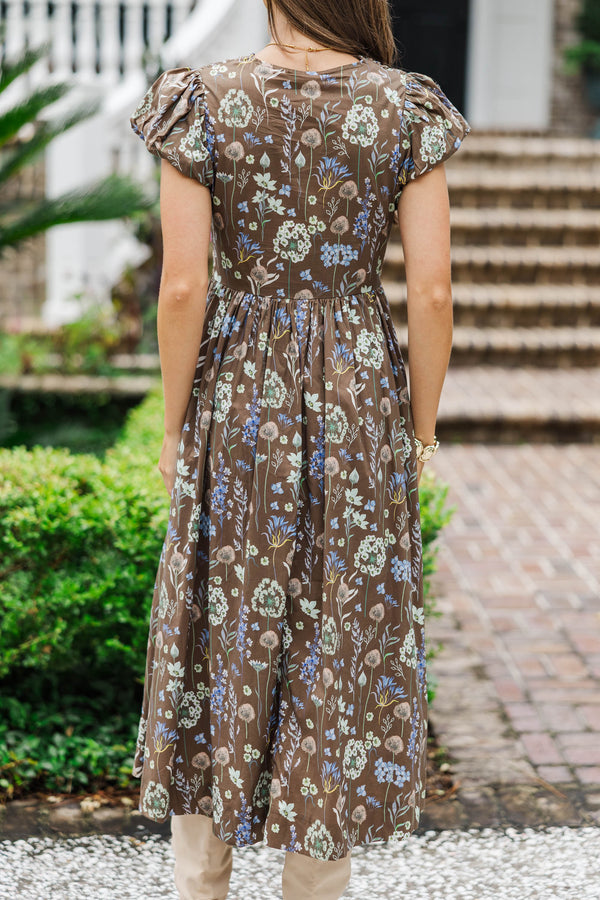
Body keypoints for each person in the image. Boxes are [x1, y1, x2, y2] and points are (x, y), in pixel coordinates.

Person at [129, 0, 470, 896]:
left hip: (238, 395)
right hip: (359, 394)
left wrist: (172, 431)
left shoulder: (202, 100)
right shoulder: (405, 107)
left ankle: (202, 880)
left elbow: (180, 287)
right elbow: (431, 293)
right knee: (339, 632)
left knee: (220, 623)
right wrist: (421, 430)